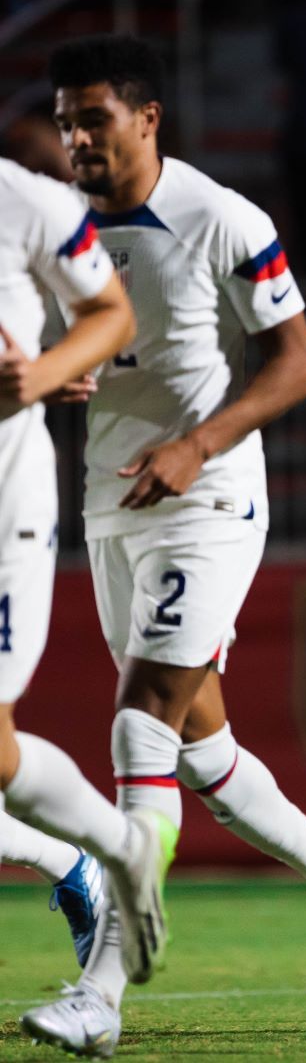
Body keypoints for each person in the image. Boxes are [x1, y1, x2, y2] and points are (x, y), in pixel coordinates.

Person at [20, 35, 306, 1057]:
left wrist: (199, 443)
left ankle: (102, 992)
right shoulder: (63, 222)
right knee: (202, 753)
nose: (76, 139)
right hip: (111, 501)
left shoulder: (223, 218)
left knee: (140, 726)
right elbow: (72, 333)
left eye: (94, 118)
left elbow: (298, 363)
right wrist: (62, 366)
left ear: (147, 118)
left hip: (211, 499)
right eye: (65, 121)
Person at [0, 157, 171, 990]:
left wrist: (43, 369)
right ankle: (80, 858)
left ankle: (105, 850)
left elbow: (110, 312)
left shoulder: (25, 200)